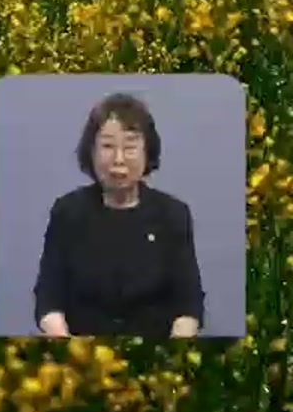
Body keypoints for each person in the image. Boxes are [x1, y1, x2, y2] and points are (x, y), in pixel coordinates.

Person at [33, 92, 205, 338]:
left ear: (147, 152)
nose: (119, 159)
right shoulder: (68, 212)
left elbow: (188, 306)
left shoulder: (172, 214)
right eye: (107, 146)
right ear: (91, 152)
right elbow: (48, 299)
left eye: (130, 146)